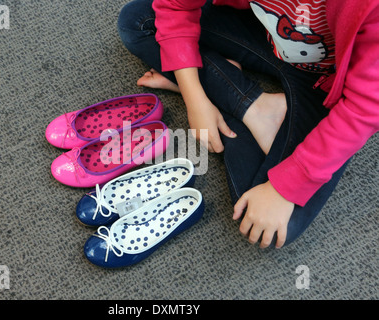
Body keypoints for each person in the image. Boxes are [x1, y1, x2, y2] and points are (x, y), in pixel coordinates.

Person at [117, 0, 379, 248]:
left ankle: (223, 85)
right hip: (264, 31)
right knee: (137, 22)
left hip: (327, 83)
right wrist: (194, 97)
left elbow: (365, 107)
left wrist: (285, 187)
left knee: (271, 221)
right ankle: (253, 105)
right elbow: (174, 8)